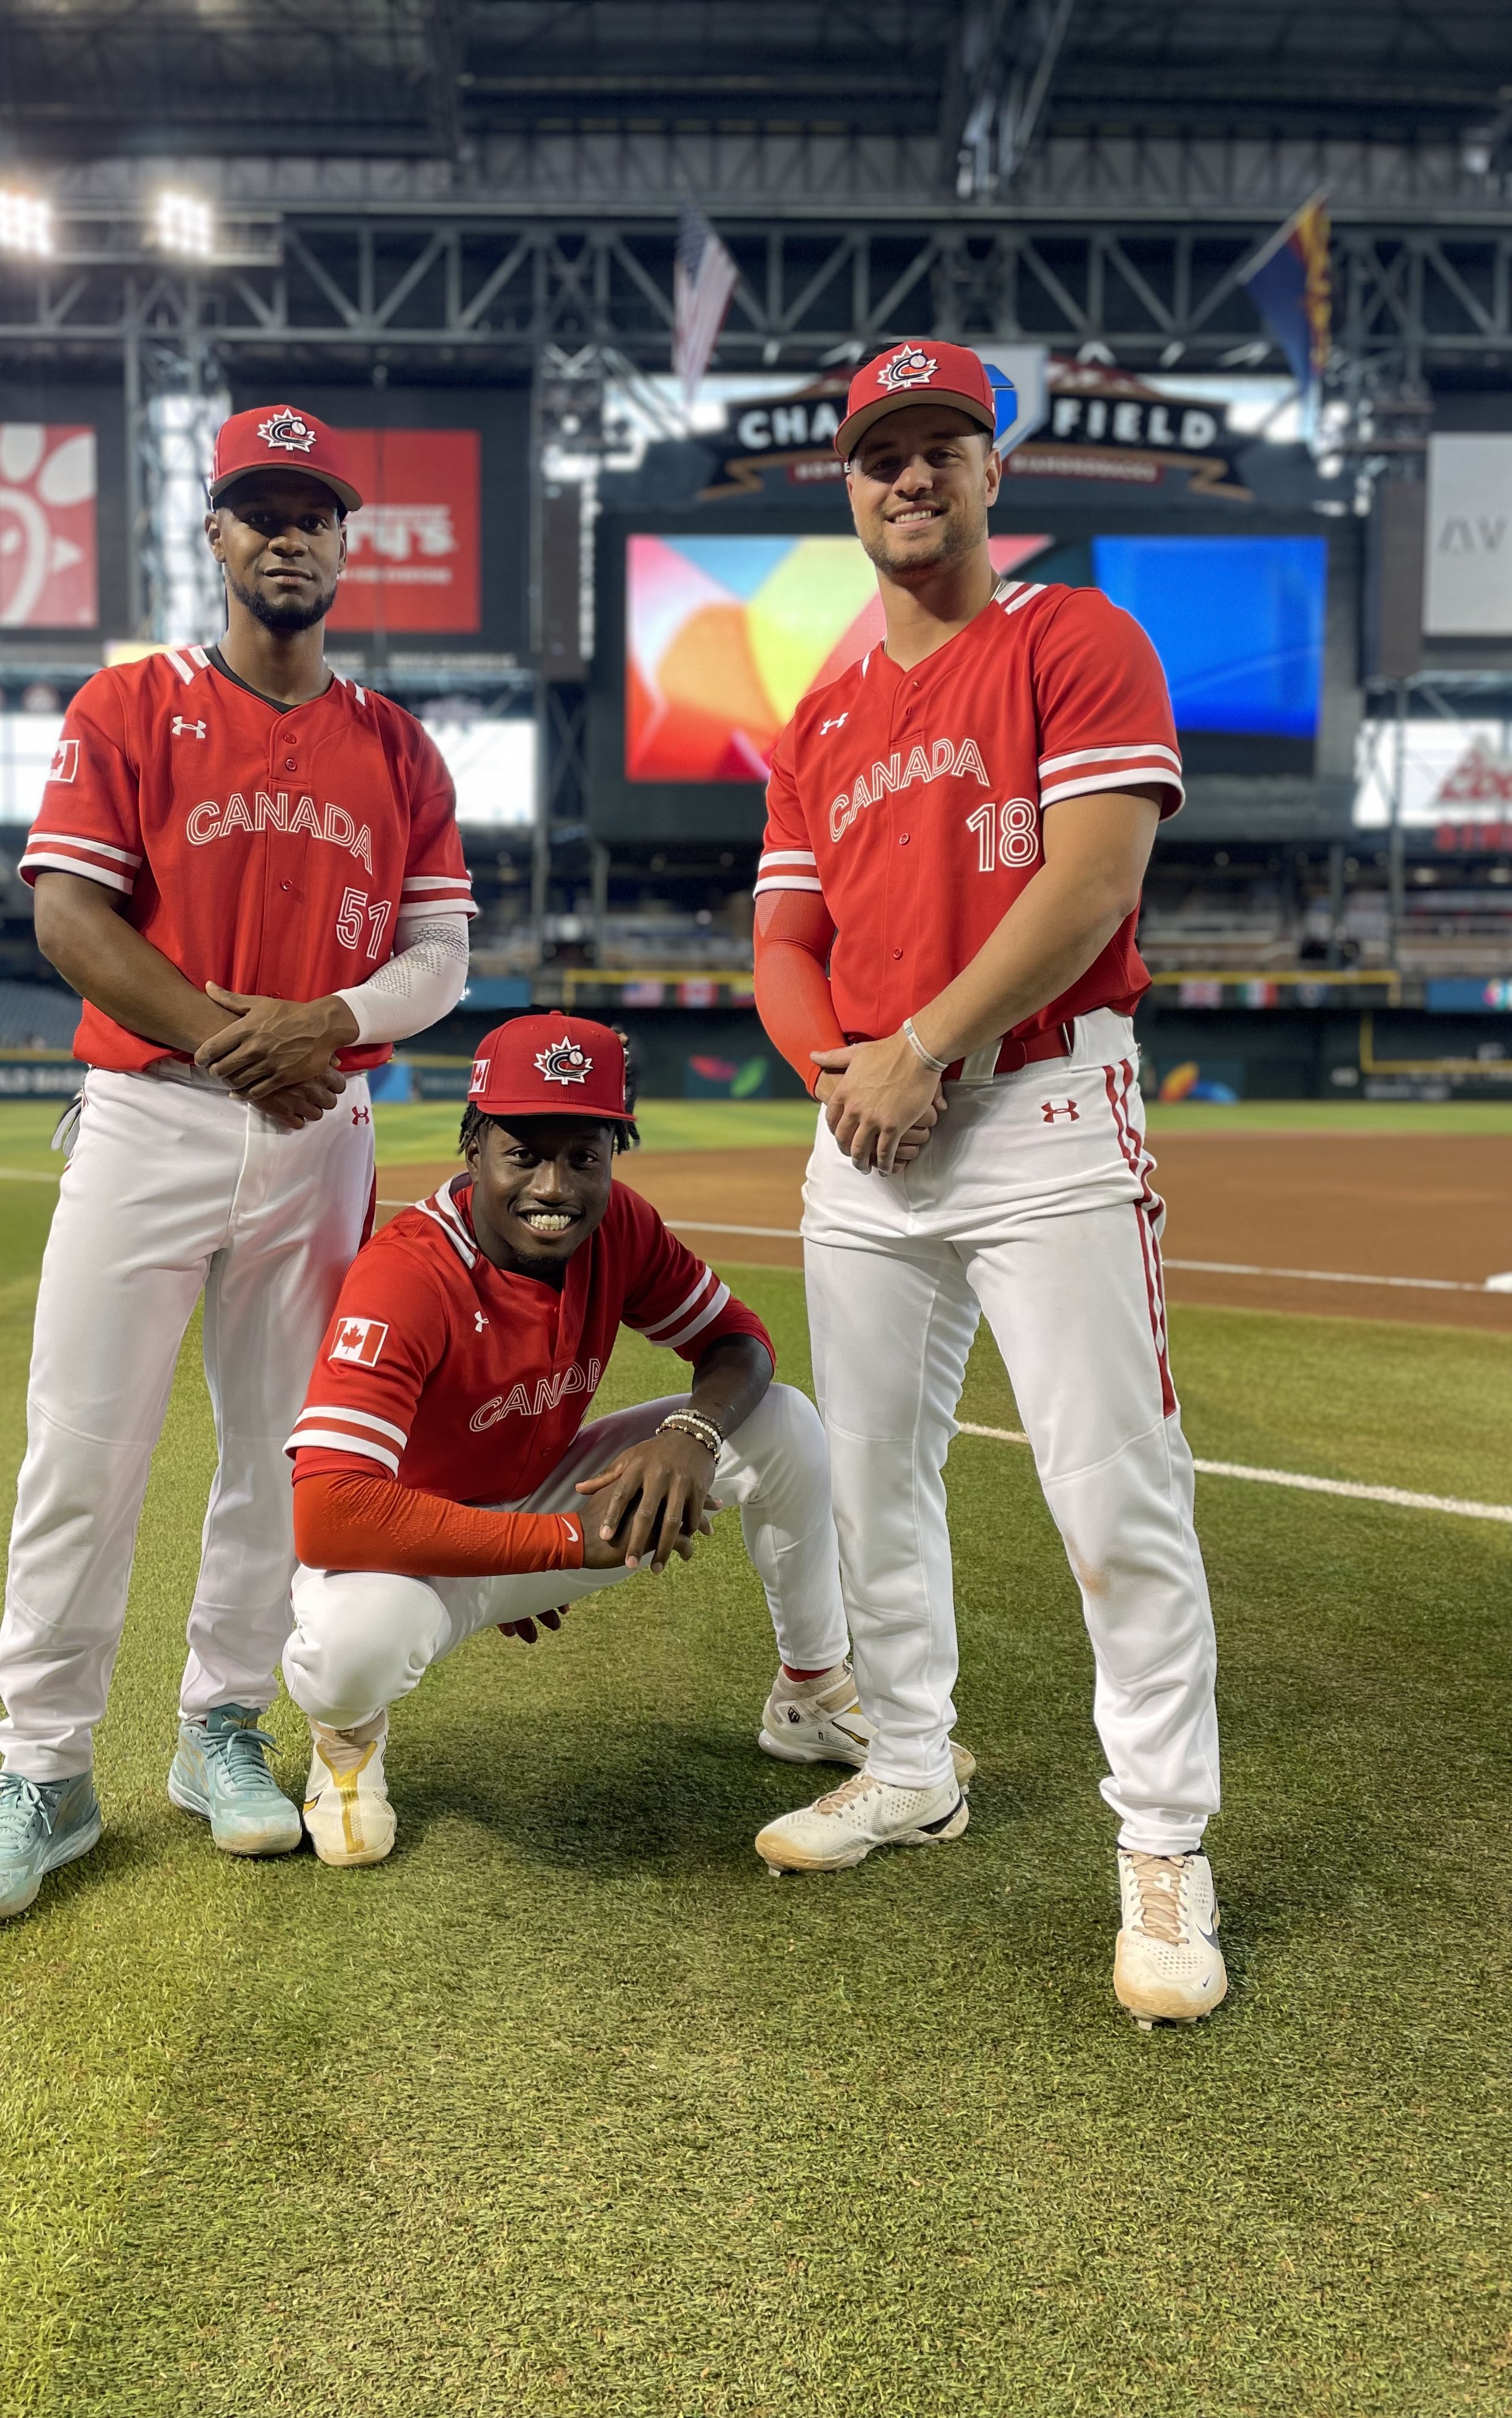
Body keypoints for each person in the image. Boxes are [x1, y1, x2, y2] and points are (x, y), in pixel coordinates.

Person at [0, 404, 477, 1924]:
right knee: (82, 1449)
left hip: (322, 1135)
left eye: (314, 510)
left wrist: (335, 1024)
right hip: (152, 1118)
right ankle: (43, 1768)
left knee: (281, 1460)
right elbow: (69, 920)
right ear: (218, 534)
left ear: (345, 544)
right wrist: (243, 1039)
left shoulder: (398, 744)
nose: (287, 532)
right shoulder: (127, 704)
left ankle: (218, 1730)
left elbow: (440, 954)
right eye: (261, 507)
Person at [749, 339, 1225, 2028]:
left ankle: (1163, 1846)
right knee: (875, 1483)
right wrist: (843, 1071)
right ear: (849, 483)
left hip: (1035, 1111)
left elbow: (1094, 883)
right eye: (882, 453)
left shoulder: (1074, 640)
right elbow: (784, 942)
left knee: (1114, 1496)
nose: (911, 477)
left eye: (943, 444)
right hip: (866, 1133)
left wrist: (926, 1043)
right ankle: (908, 1763)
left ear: (990, 470)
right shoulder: (819, 711)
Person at [278, 1013, 946, 1867]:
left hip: (549, 1497)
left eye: (584, 1157)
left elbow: (739, 1342)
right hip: (416, 1544)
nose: (555, 1186)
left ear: (611, 1156)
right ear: (473, 1148)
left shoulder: (620, 1227)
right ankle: (348, 1737)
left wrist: (692, 1433)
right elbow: (329, 1516)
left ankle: (812, 1690)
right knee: (347, 1650)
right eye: (524, 1153)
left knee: (782, 1420)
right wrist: (554, 1543)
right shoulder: (408, 1274)